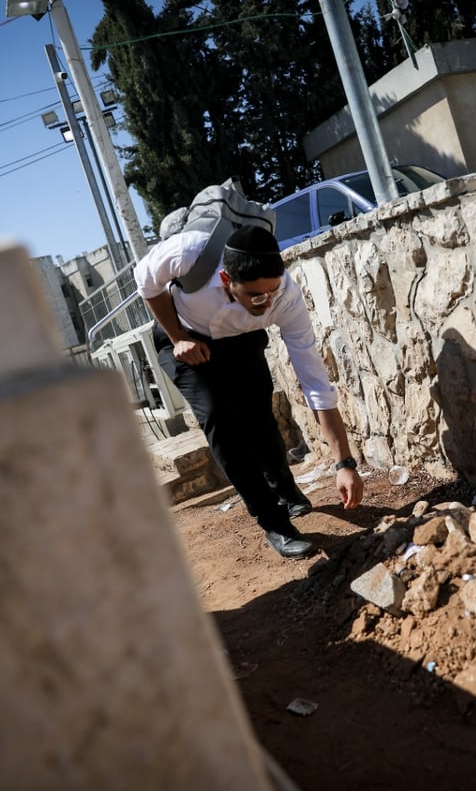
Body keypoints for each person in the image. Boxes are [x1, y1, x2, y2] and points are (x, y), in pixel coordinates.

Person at [135, 225, 364, 559]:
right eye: (257, 295)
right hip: (188, 338)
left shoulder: (286, 298)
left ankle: (287, 492)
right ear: (227, 281)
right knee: (220, 420)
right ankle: (275, 524)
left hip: (243, 339)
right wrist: (176, 336)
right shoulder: (189, 253)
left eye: (273, 290)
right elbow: (146, 280)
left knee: (260, 419)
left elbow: (314, 382)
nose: (267, 301)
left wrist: (344, 463)